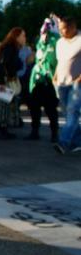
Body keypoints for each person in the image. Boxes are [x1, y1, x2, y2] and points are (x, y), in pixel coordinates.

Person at [0, 27, 25, 140]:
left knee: (3, 105)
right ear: (17, 36)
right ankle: (0, 130)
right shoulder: (10, 48)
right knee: (2, 105)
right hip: (4, 80)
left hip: (4, 79)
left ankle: (2, 129)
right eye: (23, 36)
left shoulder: (11, 47)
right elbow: (3, 64)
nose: (24, 38)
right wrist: (1, 81)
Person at [26, 19, 58, 142]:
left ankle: (54, 133)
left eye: (47, 30)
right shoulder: (40, 42)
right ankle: (35, 131)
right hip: (37, 80)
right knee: (34, 108)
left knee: (51, 109)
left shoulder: (56, 41)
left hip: (50, 80)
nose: (44, 34)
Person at [53, 16, 81, 153]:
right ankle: (77, 141)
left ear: (72, 28)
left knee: (72, 111)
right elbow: (60, 61)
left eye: (62, 28)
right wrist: (55, 76)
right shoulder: (59, 42)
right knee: (67, 113)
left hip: (77, 83)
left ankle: (63, 143)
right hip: (61, 82)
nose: (60, 31)